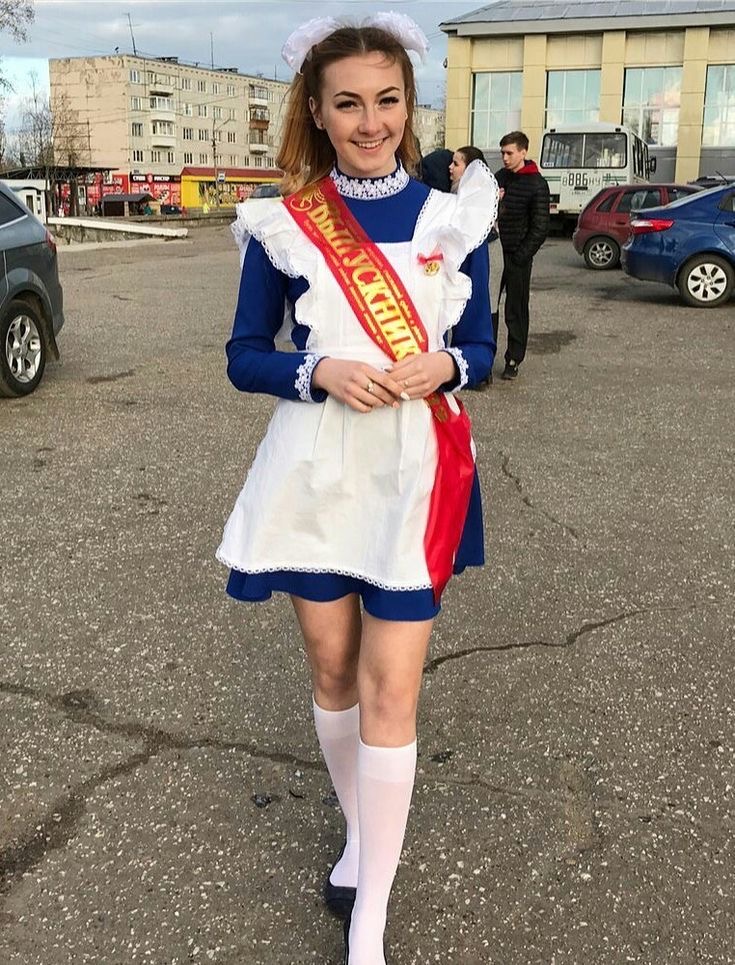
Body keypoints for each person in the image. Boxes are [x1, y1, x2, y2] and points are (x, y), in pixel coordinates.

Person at [217, 13, 498, 965]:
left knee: (391, 687)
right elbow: (244, 355)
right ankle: (358, 833)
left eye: (386, 100)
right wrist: (318, 370)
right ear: (317, 110)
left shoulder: (455, 216)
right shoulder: (283, 222)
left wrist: (446, 364)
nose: (370, 121)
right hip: (316, 473)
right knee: (333, 671)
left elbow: (483, 348)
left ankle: (369, 912)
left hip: (413, 474)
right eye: (348, 103)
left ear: (408, 105)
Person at [494, 130, 550, 380]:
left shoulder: (536, 184)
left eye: (509, 153)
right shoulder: (499, 177)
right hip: (494, 252)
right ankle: (484, 357)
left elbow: (540, 226)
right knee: (489, 308)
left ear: (523, 152)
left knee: (515, 310)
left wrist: (521, 256)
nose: (505, 158)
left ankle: (513, 359)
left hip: (517, 257)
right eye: (502, 153)